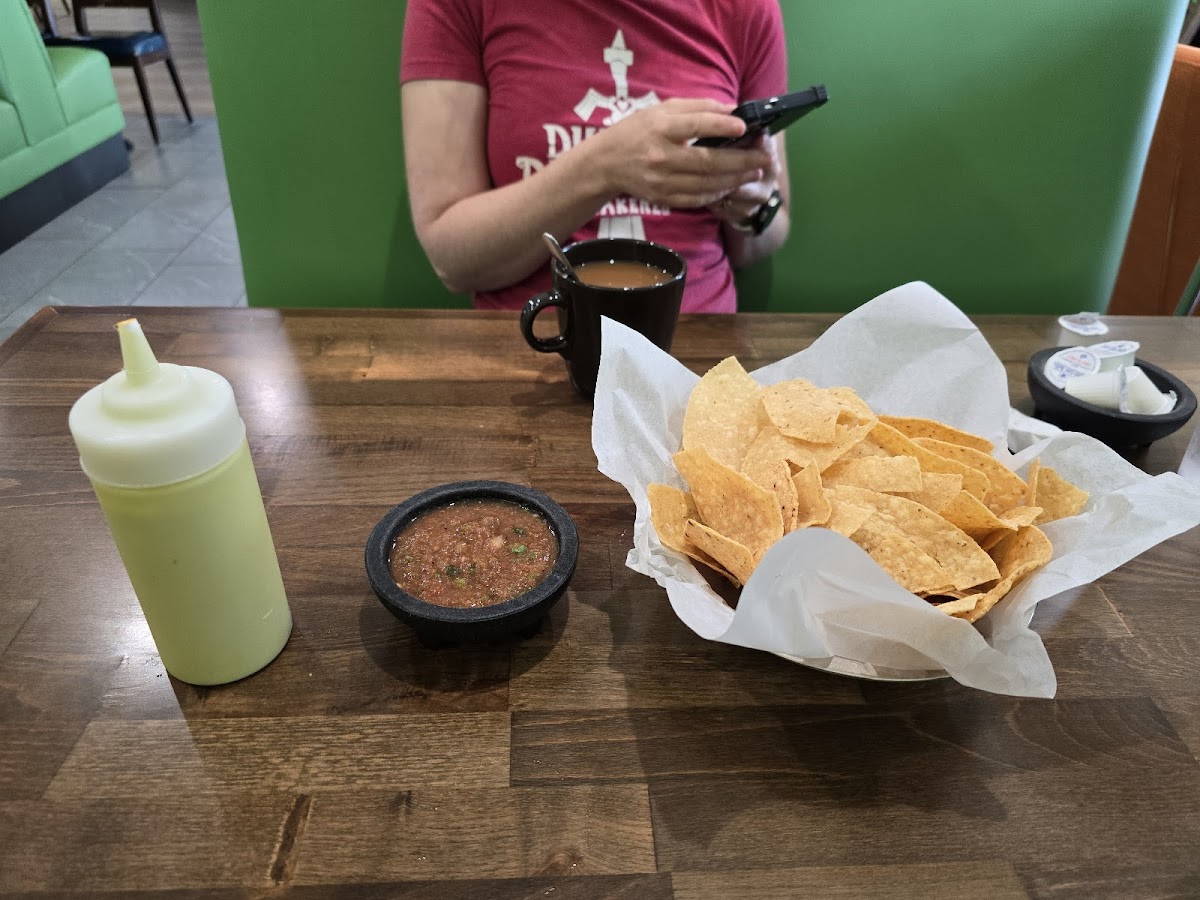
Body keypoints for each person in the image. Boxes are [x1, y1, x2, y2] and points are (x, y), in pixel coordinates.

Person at [400, 0, 789, 313]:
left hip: (700, 343)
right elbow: (452, 262)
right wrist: (605, 166)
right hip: (536, 340)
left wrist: (751, 207)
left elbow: (772, 227)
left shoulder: (747, 9)